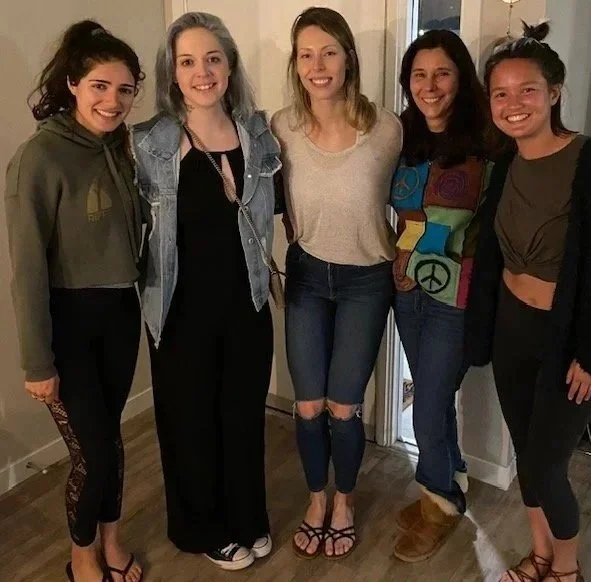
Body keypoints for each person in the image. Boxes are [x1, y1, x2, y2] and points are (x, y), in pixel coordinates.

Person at [131, 11, 282, 572]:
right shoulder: (149, 143)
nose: (202, 72)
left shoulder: (257, 135)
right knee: (190, 421)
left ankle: (247, 516)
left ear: (230, 66)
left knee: (242, 417)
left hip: (247, 303)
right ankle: (201, 527)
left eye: (213, 59)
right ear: (172, 73)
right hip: (179, 309)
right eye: (188, 61)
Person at [4, 20, 144, 582]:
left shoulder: (121, 148)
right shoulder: (39, 158)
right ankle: (81, 555)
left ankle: (112, 541)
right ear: (72, 85)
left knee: (111, 440)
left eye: (125, 90)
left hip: (120, 315)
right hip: (68, 324)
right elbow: (27, 270)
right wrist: (37, 362)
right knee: (94, 453)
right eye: (100, 87)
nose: (113, 101)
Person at [272, 6, 402, 560]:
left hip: (366, 281)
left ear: (348, 57)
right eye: (306, 55)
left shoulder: (387, 129)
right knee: (307, 406)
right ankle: (317, 499)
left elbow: (415, 201)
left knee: (343, 407)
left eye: (328, 52)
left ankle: (344, 503)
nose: (317, 65)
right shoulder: (281, 127)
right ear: (296, 64)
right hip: (306, 275)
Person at [466, 21, 591, 582]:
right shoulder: (505, 168)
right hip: (512, 329)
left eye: (527, 90)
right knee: (525, 453)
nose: (513, 104)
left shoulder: (585, 160)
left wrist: (589, 353)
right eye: (500, 93)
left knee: (546, 467)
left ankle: (565, 569)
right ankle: (541, 553)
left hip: (566, 340)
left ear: (554, 93)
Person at [389, 29, 491, 562]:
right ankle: (449, 486)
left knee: (427, 404)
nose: (429, 86)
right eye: (419, 74)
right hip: (406, 286)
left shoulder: (488, 141)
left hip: (457, 295)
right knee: (435, 398)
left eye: (442, 73)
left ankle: (439, 504)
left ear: (461, 77)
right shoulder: (400, 136)